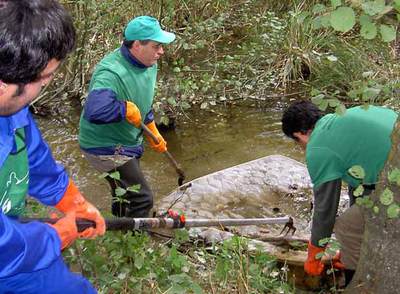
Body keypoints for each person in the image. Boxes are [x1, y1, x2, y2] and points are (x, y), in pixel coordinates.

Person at [0, 1, 105, 293]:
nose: (48, 84)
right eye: (45, 79)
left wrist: (73, 202)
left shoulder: (12, 109)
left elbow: (33, 158)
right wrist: (57, 235)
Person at [281, 100, 397, 285]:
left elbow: (325, 210)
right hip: (391, 171)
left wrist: (315, 253)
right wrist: (350, 248)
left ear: (299, 135)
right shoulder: (344, 118)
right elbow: (360, 188)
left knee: (346, 227)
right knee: (357, 222)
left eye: (297, 143)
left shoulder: (317, 147)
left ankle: (355, 284)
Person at [79, 16, 176, 218]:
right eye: (156, 45)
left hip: (127, 141)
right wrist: (123, 109)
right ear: (137, 45)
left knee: (124, 193)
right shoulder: (110, 73)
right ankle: (135, 242)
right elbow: (94, 111)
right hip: (105, 147)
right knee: (142, 198)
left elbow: (142, 103)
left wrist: (153, 133)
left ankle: (119, 231)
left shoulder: (149, 63)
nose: (161, 51)